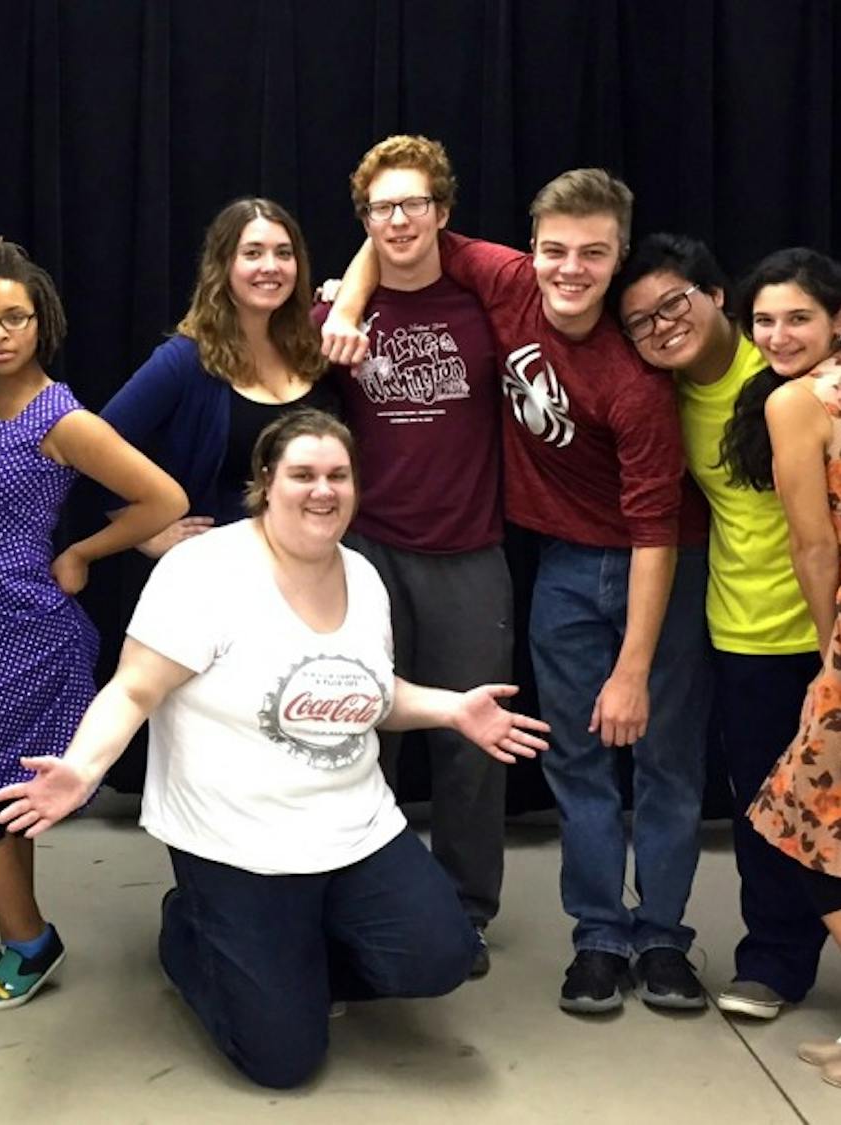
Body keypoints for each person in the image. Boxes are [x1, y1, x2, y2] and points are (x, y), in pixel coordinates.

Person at [0, 408, 548, 1088]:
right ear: (266, 480)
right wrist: (83, 768)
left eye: (339, 476)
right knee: (282, 1060)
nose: (323, 491)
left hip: (354, 828)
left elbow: (367, 692)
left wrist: (452, 709)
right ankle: (189, 930)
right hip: (237, 840)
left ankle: (288, 956)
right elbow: (134, 689)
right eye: (303, 475)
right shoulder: (205, 570)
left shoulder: (362, 575)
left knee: (442, 957)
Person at [323, 167, 712, 1015]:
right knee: (576, 759)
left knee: (664, 760)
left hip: (658, 565)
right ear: (529, 248)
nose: (571, 269)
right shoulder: (504, 280)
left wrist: (634, 669)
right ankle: (599, 935)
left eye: (594, 255)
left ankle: (663, 937)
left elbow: (655, 531)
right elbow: (395, 233)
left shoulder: (634, 380)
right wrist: (347, 307)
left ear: (617, 259)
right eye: (556, 250)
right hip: (563, 563)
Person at [0, 237, 186, 1011]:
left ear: (43, 322)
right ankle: (15, 941)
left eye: (14, 318)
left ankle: (31, 940)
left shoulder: (61, 418)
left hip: (20, 632)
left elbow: (163, 499)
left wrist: (82, 552)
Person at [311, 136, 508, 974]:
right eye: (381, 207)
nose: (398, 220)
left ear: (442, 212)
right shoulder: (335, 318)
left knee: (472, 744)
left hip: (469, 550)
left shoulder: (484, 301)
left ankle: (466, 911)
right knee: (362, 732)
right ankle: (368, 900)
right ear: (364, 219)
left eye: (413, 203)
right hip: (367, 553)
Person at [619, 235, 825, 1021]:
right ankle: (773, 960)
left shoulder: (792, 378)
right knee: (763, 810)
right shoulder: (663, 394)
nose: (662, 325)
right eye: (641, 320)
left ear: (715, 297)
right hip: (746, 631)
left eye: (674, 303)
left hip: (827, 626)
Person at [728, 249, 841, 1086]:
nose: (777, 335)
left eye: (798, 317)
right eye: (763, 320)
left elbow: (814, 546)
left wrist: (827, 656)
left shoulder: (796, 402)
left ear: (835, 321)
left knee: (801, 821)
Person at [101, 196, 340, 552]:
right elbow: (95, 447)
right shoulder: (185, 360)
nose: (271, 266)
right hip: (224, 570)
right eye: (253, 253)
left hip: (315, 561)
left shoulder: (315, 346)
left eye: (284, 253)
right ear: (223, 265)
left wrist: (348, 297)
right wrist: (144, 533)